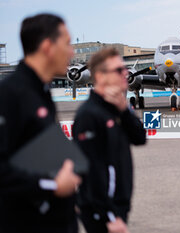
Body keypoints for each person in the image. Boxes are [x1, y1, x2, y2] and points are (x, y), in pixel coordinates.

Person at [0, 14, 81, 233]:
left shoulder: (40, 92)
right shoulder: (10, 94)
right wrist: (52, 185)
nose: (72, 52)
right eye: (67, 43)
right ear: (47, 47)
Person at [72, 48, 146, 233]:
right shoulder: (88, 115)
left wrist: (125, 110)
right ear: (100, 76)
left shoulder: (116, 107)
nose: (126, 74)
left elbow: (140, 138)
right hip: (102, 214)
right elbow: (92, 173)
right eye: (119, 70)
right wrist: (109, 217)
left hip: (118, 208)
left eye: (125, 69)